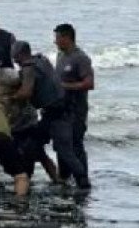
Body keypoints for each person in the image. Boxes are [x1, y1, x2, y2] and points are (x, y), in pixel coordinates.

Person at [12, 40, 82, 187]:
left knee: (65, 151)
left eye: (15, 58)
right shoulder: (41, 60)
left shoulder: (28, 67)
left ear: (20, 55)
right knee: (34, 145)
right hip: (57, 112)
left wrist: (10, 97)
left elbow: (26, 92)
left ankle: (83, 183)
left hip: (57, 115)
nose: (15, 61)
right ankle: (55, 179)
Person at [54, 23, 94, 189]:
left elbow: (89, 83)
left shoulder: (81, 58)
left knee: (75, 143)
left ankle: (83, 180)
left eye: (57, 38)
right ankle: (64, 178)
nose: (55, 42)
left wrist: (64, 86)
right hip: (61, 109)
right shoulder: (60, 56)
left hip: (76, 109)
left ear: (66, 38)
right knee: (61, 144)